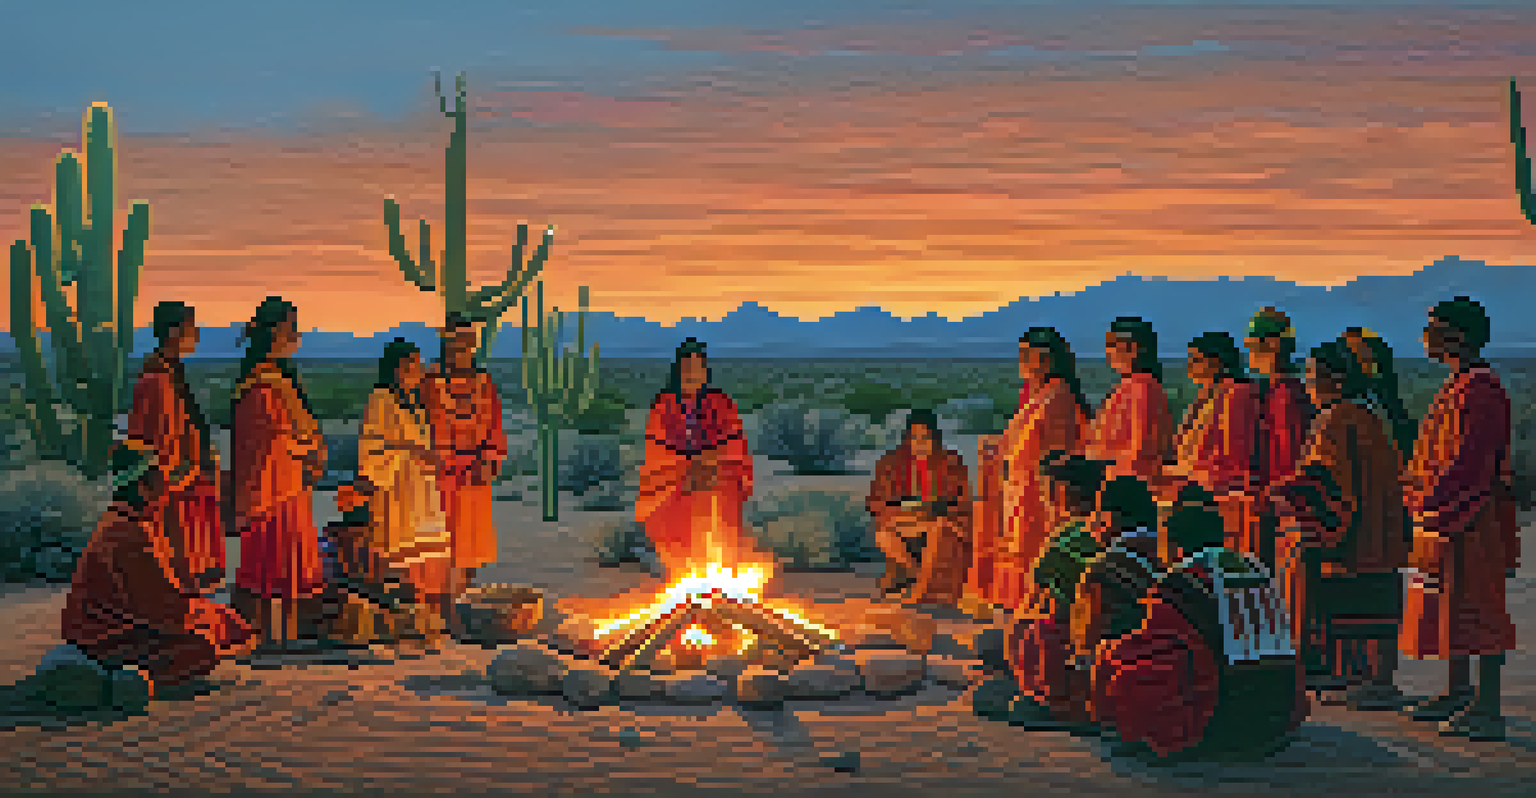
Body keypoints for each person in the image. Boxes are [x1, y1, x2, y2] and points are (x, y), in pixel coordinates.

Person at [1094, 484, 1305, 761]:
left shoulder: (1183, 579)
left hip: (1221, 723)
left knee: (1119, 664)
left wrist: (1108, 653)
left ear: (1176, 545)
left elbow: (1157, 649)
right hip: (1278, 719)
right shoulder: (1255, 567)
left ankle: (1160, 737)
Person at [1399, 297, 1519, 741]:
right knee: (1451, 605)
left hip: (1473, 514)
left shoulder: (1480, 388)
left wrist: (1428, 496)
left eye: (1434, 327)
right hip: (1447, 512)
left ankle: (1488, 708)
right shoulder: (1459, 383)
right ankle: (1458, 690)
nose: (1426, 336)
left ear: (1460, 335)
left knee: (1480, 608)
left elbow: (1470, 461)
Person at [1270, 340, 1408, 708]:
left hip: (1354, 529)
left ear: (1333, 379)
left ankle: (1368, 680)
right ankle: (1378, 679)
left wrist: (1285, 495)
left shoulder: (1335, 419)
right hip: (1380, 524)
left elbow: (1325, 479)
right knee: (1376, 598)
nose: (1309, 385)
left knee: (1353, 599)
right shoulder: (1370, 413)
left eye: (1312, 376)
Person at [61, 439, 255, 693]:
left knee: (222, 622)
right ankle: (115, 680)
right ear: (143, 488)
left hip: (120, 628)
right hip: (106, 638)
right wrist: (202, 614)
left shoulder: (126, 524)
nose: (167, 492)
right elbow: (163, 610)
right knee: (204, 645)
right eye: (162, 484)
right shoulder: (128, 533)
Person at [229, 297, 327, 652]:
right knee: (274, 561)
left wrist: (308, 449)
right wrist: (305, 449)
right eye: (291, 329)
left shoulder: (276, 379)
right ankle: (269, 637)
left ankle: (286, 634)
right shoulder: (261, 385)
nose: (296, 336)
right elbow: (270, 437)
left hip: (288, 485)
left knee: (289, 559)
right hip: (271, 489)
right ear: (274, 333)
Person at [978, 327, 1092, 614]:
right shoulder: (1039, 395)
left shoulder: (1059, 396)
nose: (1025, 362)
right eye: (1023, 355)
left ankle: (1035, 607)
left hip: (1039, 490)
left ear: (1050, 360)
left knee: (1033, 549)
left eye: (1032, 356)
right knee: (1018, 547)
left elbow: (1058, 449)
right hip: (1021, 487)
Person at [356, 339, 453, 650]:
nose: (418, 371)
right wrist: (412, 450)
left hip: (420, 488)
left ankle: (423, 625)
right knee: (400, 560)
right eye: (411, 365)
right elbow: (371, 446)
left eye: (418, 365)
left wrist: (427, 456)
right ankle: (403, 626)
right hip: (397, 488)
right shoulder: (381, 399)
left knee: (427, 556)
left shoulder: (412, 403)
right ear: (396, 368)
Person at [635, 338, 757, 579]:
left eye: (698, 367)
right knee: (674, 498)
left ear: (705, 371)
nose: (692, 373)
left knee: (722, 489)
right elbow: (657, 446)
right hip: (676, 474)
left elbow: (733, 440)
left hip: (716, 472)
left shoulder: (720, 402)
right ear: (678, 370)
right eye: (687, 367)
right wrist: (687, 464)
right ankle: (683, 572)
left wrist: (710, 460)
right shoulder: (664, 404)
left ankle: (721, 574)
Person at [126, 301, 225, 594]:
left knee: (188, 558)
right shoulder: (156, 380)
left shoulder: (169, 373)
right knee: (175, 556)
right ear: (173, 332)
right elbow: (152, 437)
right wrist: (182, 468)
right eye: (190, 327)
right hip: (173, 483)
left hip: (185, 480)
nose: (196, 334)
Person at [421, 314, 507, 627]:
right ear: (445, 343)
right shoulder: (428, 383)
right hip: (438, 475)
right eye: (457, 342)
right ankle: (439, 611)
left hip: (474, 472)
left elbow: (495, 426)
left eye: (468, 343)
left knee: (471, 546)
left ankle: (462, 606)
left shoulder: (485, 383)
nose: (463, 349)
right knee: (439, 545)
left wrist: (489, 459)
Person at [866, 409, 972, 604]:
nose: (920, 443)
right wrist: (898, 509)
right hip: (906, 520)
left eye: (926, 438)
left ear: (935, 438)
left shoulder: (950, 461)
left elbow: (962, 501)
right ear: (908, 439)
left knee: (938, 529)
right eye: (915, 438)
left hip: (938, 520)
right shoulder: (892, 462)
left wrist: (935, 508)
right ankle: (918, 574)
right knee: (883, 535)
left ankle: (921, 579)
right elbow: (875, 501)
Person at [1241, 307, 1315, 571]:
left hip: (1280, 506)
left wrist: (1271, 494)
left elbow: (1289, 456)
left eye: (1252, 345)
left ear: (1271, 346)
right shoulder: (1277, 390)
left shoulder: (1285, 394)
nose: (1249, 353)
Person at [1168, 332, 1258, 547]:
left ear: (1218, 362)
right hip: (1194, 490)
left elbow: (1235, 458)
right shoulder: (1209, 395)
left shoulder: (1236, 394)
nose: (1190, 366)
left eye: (1197, 360)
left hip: (1216, 498)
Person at [1085, 317, 1173, 488]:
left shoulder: (1142, 387)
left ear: (1133, 348)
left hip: (1127, 484)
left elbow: (1142, 449)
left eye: (1113, 345)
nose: (1108, 352)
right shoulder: (1129, 385)